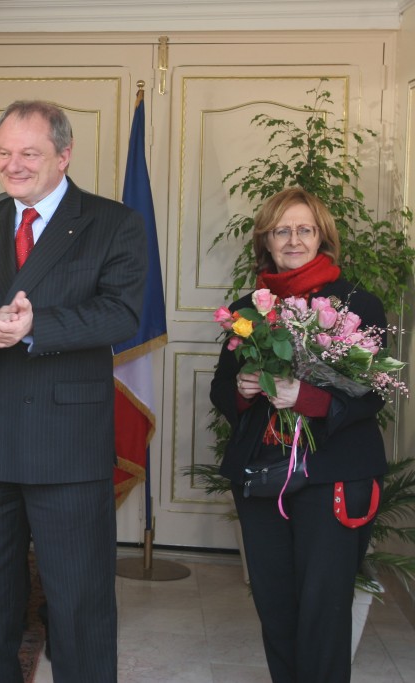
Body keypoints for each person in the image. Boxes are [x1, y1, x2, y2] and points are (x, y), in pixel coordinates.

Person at [0, 100, 147, 682]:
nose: (14, 165)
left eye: (30, 153)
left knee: (79, 607)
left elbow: (122, 314)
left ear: (64, 155)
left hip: (66, 447)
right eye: (4, 152)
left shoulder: (112, 222)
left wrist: (35, 326)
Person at [209, 186, 386, 683]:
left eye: (304, 229)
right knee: (276, 607)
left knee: (322, 613)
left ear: (322, 236)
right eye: (281, 230)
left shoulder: (358, 304)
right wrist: (245, 389)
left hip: (332, 476)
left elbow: (372, 394)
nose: (293, 240)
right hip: (262, 476)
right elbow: (221, 391)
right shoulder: (246, 309)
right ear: (266, 240)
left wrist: (306, 399)